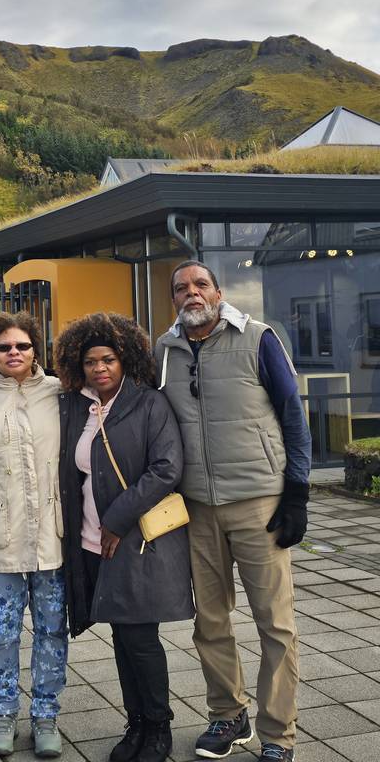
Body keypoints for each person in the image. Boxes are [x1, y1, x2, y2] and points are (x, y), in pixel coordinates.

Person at [155, 261, 312, 762]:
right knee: (211, 622)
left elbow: (293, 413)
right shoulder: (164, 351)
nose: (191, 293)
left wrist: (298, 492)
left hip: (258, 502)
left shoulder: (259, 338)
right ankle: (228, 714)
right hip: (197, 507)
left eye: (200, 284)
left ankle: (277, 734)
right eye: (181, 288)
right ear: (174, 299)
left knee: (276, 625)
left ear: (218, 292)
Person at [55, 312, 194, 762]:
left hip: (135, 539)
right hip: (93, 542)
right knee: (120, 635)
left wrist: (116, 519)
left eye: (109, 359)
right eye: (92, 361)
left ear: (125, 359)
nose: (100, 368)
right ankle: (135, 724)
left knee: (140, 637)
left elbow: (166, 468)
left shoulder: (148, 403)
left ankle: (158, 728)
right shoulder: (81, 407)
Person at [0, 311, 67, 759]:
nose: (14, 353)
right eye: (4, 347)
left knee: (51, 630)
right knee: (1, 632)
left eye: (22, 345)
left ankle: (46, 715)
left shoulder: (59, 393)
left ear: (36, 349)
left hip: (51, 538)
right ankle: (3, 712)